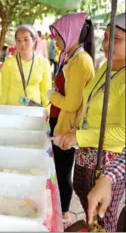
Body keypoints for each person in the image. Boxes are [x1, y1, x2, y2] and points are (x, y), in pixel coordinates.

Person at [52, 12, 126, 232]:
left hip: (107, 163)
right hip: (86, 155)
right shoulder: (106, 66)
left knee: (102, 222)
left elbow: (124, 132)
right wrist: (74, 132)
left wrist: (78, 136)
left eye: (116, 39)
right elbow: (89, 104)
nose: (106, 44)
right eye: (105, 37)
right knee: (87, 210)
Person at [48, 12, 96, 224]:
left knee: (63, 173)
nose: (55, 41)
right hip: (62, 121)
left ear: (71, 34)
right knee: (59, 170)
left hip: (69, 126)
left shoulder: (80, 62)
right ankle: (61, 211)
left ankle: (64, 214)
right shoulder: (71, 57)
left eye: (58, 36)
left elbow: (71, 103)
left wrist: (51, 95)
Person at [0, 25, 51, 107]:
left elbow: (46, 91)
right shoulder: (8, 63)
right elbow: (3, 89)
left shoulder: (43, 63)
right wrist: (0, 109)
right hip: (12, 109)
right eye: (18, 40)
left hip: (34, 110)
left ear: (34, 41)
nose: (22, 44)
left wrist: (47, 110)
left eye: (26, 40)